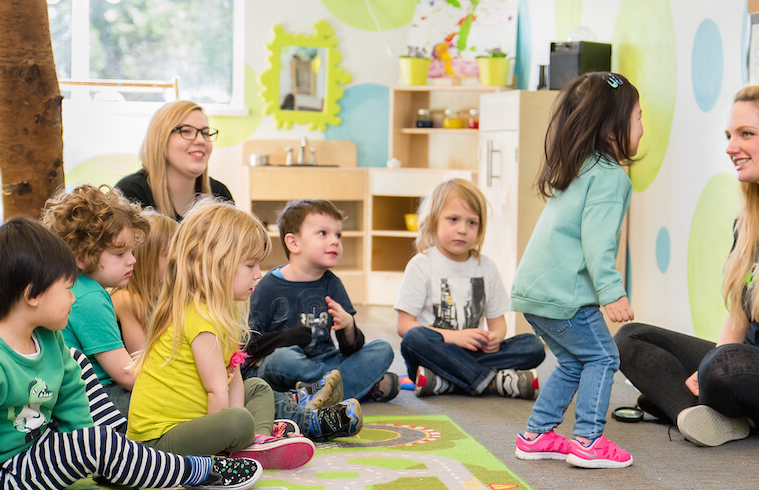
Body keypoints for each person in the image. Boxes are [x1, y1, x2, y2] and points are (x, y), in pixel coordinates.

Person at [0, 218, 262, 490]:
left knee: (78, 366)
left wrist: (93, 450)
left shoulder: (48, 338)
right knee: (94, 443)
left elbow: (71, 400)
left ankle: (119, 454)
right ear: (32, 295)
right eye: (68, 289)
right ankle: (197, 471)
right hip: (3, 475)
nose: (73, 298)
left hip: (42, 447)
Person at [615, 84, 759, 446]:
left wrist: (734, 363)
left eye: (746, 134)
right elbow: (737, 318)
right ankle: (691, 415)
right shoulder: (749, 218)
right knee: (629, 339)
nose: (731, 147)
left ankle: (683, 400)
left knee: (723, 365)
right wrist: (717, 362)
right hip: (745, 366)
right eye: (730, 135)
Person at [509, 72, 642, 469]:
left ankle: (537, 434)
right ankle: (588, 440)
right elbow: (596, 242)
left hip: (537, 291)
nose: (642, 127)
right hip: (567, 295)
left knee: (573, 362)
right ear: (613, 126)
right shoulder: (609, 177)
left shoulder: (577, 165)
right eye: (637, 117)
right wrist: (612, 292)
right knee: (604, 358)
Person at [126, 201, 315, 470]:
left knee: (258, 388)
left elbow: (232, 378)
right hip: (159, 442)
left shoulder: (220, 315)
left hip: (196, 420)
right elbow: (217, 391)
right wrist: (230, 433)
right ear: (217, 265)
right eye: (250, 265)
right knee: (238, 421)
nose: (259, 274)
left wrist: (236, 424)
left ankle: (256, 442)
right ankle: (242, 445)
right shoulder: (200, 320)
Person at [394, 178, 545, 398]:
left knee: (533, 346)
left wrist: (495, 336)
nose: (463, 230)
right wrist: (454, 338)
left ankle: (447, 381)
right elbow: (404, 326)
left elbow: (498, 324)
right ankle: (492, 381)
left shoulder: (486, 267)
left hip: (476, 354)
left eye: (472, 222)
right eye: (453, 219)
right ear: (434, 221)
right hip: (437, 353)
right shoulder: (421, 265)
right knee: (414, 339)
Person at [245, 199, 399, 403]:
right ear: (294, 243)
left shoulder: (332, 284)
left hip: (326, 360)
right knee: (284, 359)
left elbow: (350, 348)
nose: (335, 241)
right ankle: (349, 386)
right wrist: (288, 339)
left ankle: (313, 393)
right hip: (289, 364)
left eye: (338, 235)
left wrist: (349, 326)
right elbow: (251, 343)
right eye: (323, 233)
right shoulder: (268, 286)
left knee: (382, 348)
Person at [41, 184, 149, 415]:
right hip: (93, 399)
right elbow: (126, 374)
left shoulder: (75, 286)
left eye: (131, 252)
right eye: (120, 254)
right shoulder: (89, 296)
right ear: (81, 257)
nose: (132, 261)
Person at [115, 100, 234, 221]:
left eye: (205, 133)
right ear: (161, 139)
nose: (201, 140)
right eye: (186, 131)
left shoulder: (220, 194)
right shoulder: (131, 194)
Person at [111, 210, 177, 353]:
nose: (176, 261)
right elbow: (141, 358)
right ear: (144, 260)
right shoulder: (126, 299)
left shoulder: (159, 297)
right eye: (168, 254)